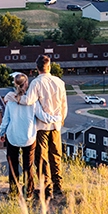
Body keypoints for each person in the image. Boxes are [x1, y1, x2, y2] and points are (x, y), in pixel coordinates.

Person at [26, 55, 68, 201]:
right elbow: (64, 105)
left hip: (42, 126)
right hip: (56, 126)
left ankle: (47, 188)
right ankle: (58, 186)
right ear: (49, 66)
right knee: (56, 155)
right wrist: (61, 120)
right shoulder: (59, 82)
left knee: (42, 158)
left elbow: (29, 101)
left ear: (36, 68)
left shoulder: (36, 83)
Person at [0, 73, 38, 198]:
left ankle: (14, 193)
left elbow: (6, 120)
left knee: (13, 165)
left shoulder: (10, 102)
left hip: (12, 136)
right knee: (28, 166)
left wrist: (1, 133)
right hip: (28, 137)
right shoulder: (33, 102)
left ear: (15, 84)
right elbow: (41, 117)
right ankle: (28, 193)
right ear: (26, 84)